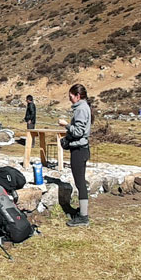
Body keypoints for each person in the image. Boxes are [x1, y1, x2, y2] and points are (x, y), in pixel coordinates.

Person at [58, 84, 91, 227]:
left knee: (80, 183)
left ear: (77, 96)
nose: (69, 98)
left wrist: (65, 125)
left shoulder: (81, 109)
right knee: (80, 182)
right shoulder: (83, 108)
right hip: (80, 149)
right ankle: (82, 212)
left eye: (70, 96)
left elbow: (78, 132)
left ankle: (83, 217)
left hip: (79, 151)